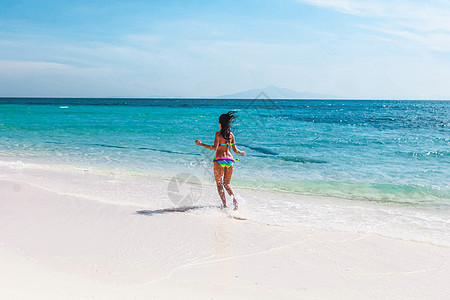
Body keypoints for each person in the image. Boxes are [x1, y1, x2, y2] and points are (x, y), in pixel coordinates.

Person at [195, 111, 245, 210]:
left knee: (219, 183)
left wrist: (201, 144)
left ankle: (224, 205)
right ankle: (235, 201)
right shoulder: (231, 135)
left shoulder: (218, 134)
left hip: (220, 159)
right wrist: (241, 152)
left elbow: (215, 148)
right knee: (227, 183)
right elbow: (235, 150)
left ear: (219, 124)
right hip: (230, 160)